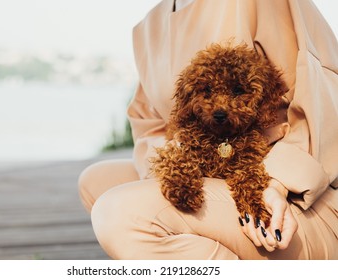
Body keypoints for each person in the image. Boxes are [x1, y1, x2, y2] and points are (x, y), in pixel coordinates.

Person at [78, 0, 338, 259]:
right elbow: (149, 123)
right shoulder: (148, 27)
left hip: (294, 197)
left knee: (118, 212)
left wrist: (279, 182)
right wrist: (177, 160)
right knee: (96, 181)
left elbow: (324, 98)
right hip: (206, 164)